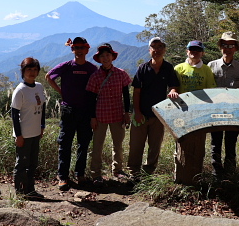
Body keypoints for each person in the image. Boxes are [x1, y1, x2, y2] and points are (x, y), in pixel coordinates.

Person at [45, 37, 97, 191]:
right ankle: (63, 176)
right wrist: (61, 92)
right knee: (65, 144)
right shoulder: (66, 66)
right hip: (69, 111)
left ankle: (80, 175)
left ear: (87, 50)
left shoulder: (92, 69)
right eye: (76, 48)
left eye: (82, 48)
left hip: (86, 111)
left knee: (84, 144)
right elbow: (49, 76)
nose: (79, 50)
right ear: (72, 49)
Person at [128, 37, 179, 179]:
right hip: (141, 114)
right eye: (154, 47)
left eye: (160, 46)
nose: (157, 50)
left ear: (164, 49)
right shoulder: (143, 68)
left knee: (154, 146)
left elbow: (174, 85)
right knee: (136, 146)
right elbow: (136, 91)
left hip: (158, 115)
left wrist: (173, 90)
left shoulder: (168, 68)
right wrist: (137, 112)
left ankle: (148, 173)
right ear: (149, 50)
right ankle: (134, 174)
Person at [86, 43, 132, 186]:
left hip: (117, 114)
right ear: (99, 59)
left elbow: (126, 94)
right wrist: (92, 117)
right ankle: (96, 173)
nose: (105, 58)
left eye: (108, 55)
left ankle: (117, 169)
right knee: (97, 145)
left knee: (118, 144)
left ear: (112, 57)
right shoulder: (95, 76)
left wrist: (127, 113)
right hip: (100, 115)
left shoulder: (121, 73)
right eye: (102, 56)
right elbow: (91, 99)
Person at [173, 40, 216, 182]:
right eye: (191, 49)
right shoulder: (178, 68)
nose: (194, 52)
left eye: (198, 50)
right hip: (182, 111)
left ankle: (196, 175)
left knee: (198, 143)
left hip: (200, 112)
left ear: (202, 53)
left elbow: (211, 91)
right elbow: (174, 89)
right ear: (187, 51)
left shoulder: (206, 70)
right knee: (181, 142)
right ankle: (179, 176)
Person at [207, 32, 239, 176]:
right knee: (215, 143)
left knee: (231, 143)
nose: (227, 48)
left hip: (234, 113)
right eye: (224, 45)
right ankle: (216, 173)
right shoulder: (211, 66)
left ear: (235, 48)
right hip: (215, 111)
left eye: (231, 45)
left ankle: (230, 174)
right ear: (220, 47)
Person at [11, 57, 46, 200]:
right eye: (29, 69)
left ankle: (30, 190)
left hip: (35, 132)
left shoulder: (39, 87)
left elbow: (43, 107)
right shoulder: (20, 90)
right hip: (24, 134)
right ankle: (19, 192)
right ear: (23, 71)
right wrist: (18, 135)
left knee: (32, 163)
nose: (32, 72)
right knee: (22, 163)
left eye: (34, 69)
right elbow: (14, 114)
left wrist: (42, 126)